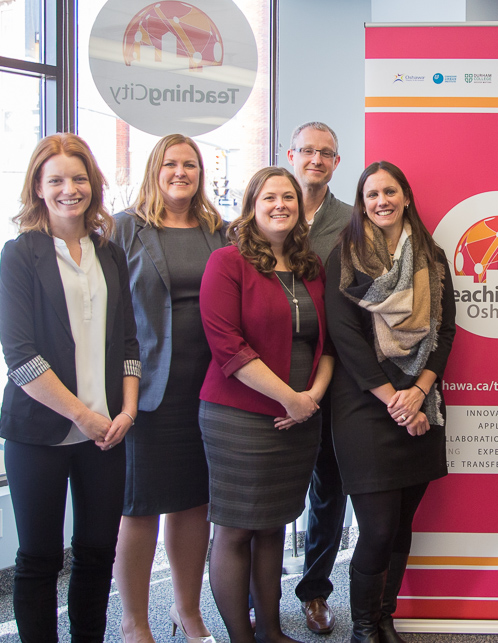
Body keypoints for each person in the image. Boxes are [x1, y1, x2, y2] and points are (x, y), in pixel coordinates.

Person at [0, 133, 140, 642]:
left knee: (98, 551)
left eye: (78, 178)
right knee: (38, 556)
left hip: (107, 435)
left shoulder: (110, 254)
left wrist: (126, 411)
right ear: (38, 187)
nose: (68, 189)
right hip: (39, 433)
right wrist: (84, 415)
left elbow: (128, 340)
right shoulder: (19, 255)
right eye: (55, 179)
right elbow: (21, 358)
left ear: (93, 185)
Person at [198, 167, 334, 643]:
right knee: (236, 529)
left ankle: (272, 631)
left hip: (299, 418)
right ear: (252, 205)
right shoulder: (227, 262)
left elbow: (329, 343)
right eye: (270, 197)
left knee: (275, 524)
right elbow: (227, 347)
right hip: (240, 416)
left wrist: (311, 398)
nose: (281, 205)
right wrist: (290, 398)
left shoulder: (311, 266)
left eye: (289, 198)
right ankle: (241, 636)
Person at [324, 161, 456, 643]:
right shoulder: (345, 258)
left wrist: (418, 392)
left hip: (423, 403)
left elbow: (445, 332)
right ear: (361, 203)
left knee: (402, 528)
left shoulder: (432, 257)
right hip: (364, 406)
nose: (381, 201)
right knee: (377, 528)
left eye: (389, 191)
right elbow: (345, 339)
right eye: (371, 194)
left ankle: (385, 620)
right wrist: (394, 399)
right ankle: (363, 627)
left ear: (405, 196)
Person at [113, 134, 227, 643]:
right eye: (171, 164)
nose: (181, 172)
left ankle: (188, 611)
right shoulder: (124, 229)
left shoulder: (217, 231)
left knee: (193, 504)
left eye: (190, 165)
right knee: (139, 507)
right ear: (155, 170)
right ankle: (134, 620)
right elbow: (110, 313)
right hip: (145, 391)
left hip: (207, 389)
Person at [285, 121, 352, 635]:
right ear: (291, 153)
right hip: (270, 373)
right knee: (267, 484)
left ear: (335, 162)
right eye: (307, 150)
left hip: (334, 370)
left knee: (329, 486)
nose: (315, 159)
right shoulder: (268, 208)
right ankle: (255, 590)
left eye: (325, 153)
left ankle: (314, 591)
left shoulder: (352, 223)